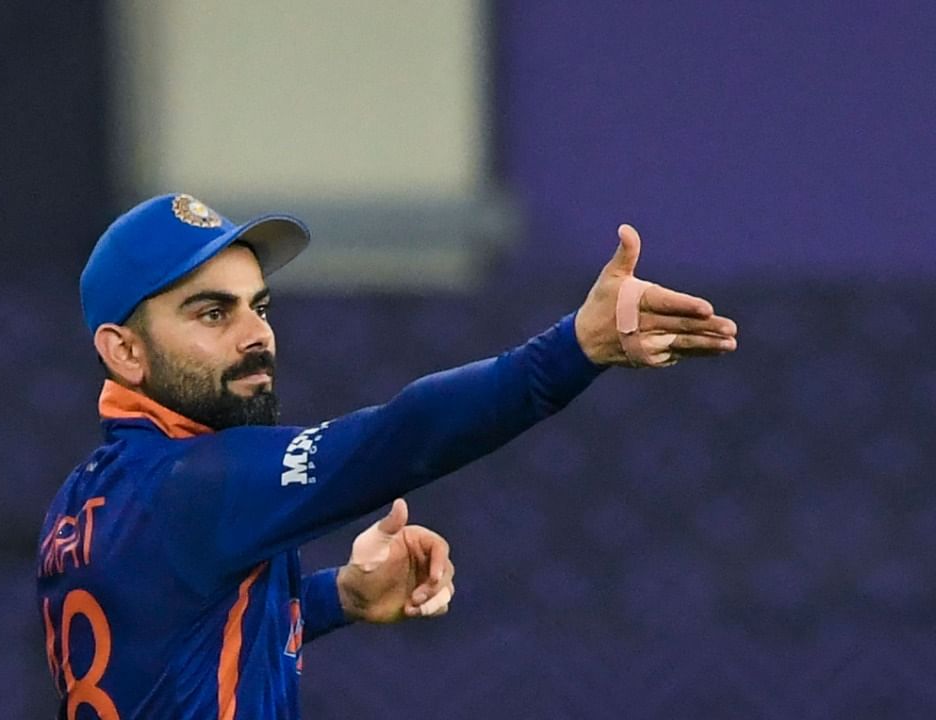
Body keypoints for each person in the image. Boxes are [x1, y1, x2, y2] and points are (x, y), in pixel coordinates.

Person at [36, 193, 738, 719]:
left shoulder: (84, 498)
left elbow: (175, 644)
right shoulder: (193, 484)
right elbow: (398, 438)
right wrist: (569, 352)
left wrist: (337, 595)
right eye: (213, 313)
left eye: (261, 306)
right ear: (123, 351)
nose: (257, 335)